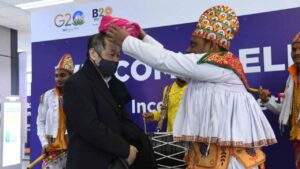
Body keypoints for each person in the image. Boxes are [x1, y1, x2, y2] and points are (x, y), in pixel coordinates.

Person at [107, 5, 277, 169]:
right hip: (208, 159)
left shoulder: (220, 65)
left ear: (212, 46)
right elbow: (171, 62)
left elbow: (167, 60)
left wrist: (127, 41)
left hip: (230, 163)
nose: (188, 50)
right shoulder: (207, 70)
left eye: (194, 44)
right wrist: (143, 38)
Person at [62, 32, 157, 169]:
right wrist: (125, 149)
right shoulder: (76, 83)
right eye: (111, 54)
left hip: (115, 159)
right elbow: (89, 126)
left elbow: (121, 121)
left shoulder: (114, 83)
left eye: (118, 56)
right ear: (93, 54)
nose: (116, 60)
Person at [259, 32, 300, 168]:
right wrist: (267, 100)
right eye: (294, 49)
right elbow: (285, 111)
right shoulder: (291, 78)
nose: (297, 53)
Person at [37, 54, 74, 169]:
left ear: (71, 76)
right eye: (56, 75)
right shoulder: (47, 96)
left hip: (73, 150)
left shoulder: (79, 95)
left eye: (63, 75)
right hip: (52, 150)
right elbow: (40, 122)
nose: (58, 79)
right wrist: (44, 143)